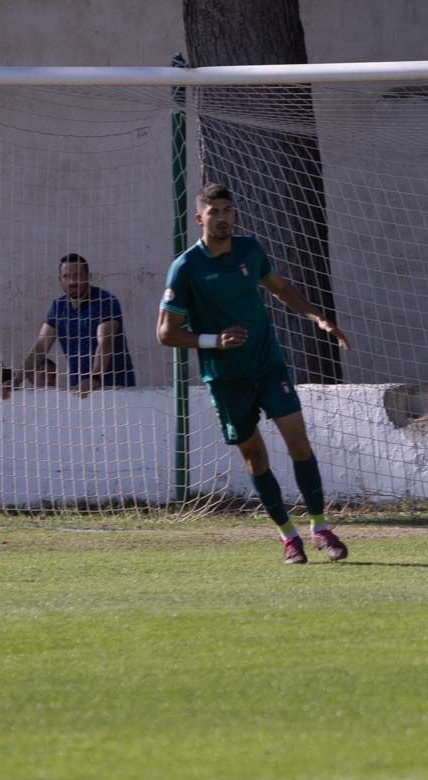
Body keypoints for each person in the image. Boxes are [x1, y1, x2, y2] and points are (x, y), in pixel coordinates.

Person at [156, 183, 352, 565]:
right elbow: (165, 334)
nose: (223, 217)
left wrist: (318, 318)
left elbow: (280, 288)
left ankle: (320, 527)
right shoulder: (186, 268)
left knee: (297, 437)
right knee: (255, 457)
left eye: (228, 210)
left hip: (267, 364)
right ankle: (288, 536)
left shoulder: (250, 250)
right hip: (226, 377)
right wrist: (214, 340)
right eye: (214, 212)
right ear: (200, 218)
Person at [0, 253, 135, 399]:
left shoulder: (106, 301)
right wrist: (16, 380)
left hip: (116, 389)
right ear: (60, 280)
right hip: (79, 389)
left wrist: (95, 378)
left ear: (88, 276)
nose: (72, 281)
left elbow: (105, 342)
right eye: (66, 276)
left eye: (78, 275)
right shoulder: (58, 307)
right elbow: (40, 347)